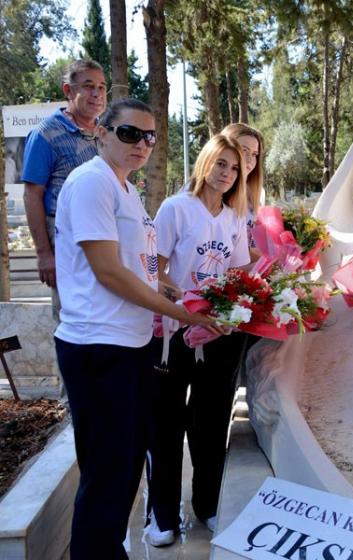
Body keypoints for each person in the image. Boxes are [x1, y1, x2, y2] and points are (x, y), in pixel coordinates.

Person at [52, 98, 215, 559]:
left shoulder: (124, 187)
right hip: (98, 347)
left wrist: (174, 292)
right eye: (130, 133)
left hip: (131, 343)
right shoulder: (91, 183)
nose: (142, 144)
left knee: (125, 467)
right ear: (101, 132)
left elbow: (137, 268)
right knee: (107, 471)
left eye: (149, 136)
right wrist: (183, 315)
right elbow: (107, 271)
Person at [145, 134, 250, 546]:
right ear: (205, 163)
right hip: (173, 333)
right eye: (221, 164)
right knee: (166, 424)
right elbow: (154, 268)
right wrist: (187, 307)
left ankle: (207, 505)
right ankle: (162, 516)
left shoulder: (234, 216)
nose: (227, 173)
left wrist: (227, 314)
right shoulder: (176, 208)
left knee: (210, 425)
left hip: (218, 337)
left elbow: (238, 274)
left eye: (235, 167)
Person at [22, 59, 107, 315]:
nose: (97, 94)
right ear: (68, 91)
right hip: (65, 236)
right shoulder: (45, 134)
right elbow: (31, 196)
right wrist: (44, 254)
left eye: (102, 87)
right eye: (88, 86)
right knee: (72, 316)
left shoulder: (106, 132)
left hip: (103, 232)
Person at [221, 123, 265, 262]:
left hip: (243, 277)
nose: (250, 160)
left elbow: (251, 247)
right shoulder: (210, 193)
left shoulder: (255, 194)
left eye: (254, 154)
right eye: (243, 150)